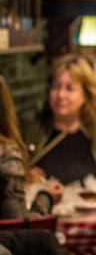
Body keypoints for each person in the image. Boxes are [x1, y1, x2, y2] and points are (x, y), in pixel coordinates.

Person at [20, 55, 96, 188]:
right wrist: (24, 176)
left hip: (93, 206)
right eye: (56, 87)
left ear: (86, 95)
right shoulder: (29, 125)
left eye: (70, 89)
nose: (61, 95)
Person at [0, 77, 63, 218]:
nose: (61, 95)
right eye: (56, 87)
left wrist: (23, 176)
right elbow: (19, 228)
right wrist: (46, 197)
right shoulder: (6, 152)